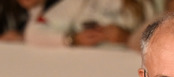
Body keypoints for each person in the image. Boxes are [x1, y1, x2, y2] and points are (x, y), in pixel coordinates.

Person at [17, 0, 152, 47]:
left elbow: (160, 43)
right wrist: (74, 39)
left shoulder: (143, 4)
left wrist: (127, 39)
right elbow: (34, 33)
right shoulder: (79, 2)